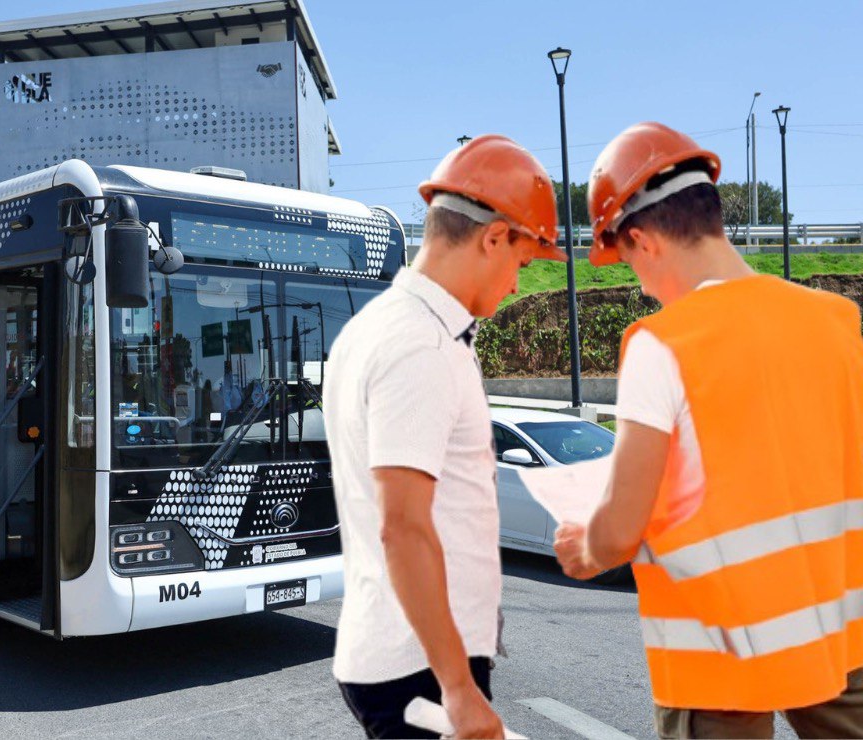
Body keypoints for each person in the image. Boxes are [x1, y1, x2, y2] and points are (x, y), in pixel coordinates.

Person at [554, 121, 863, 739]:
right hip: (841, 639)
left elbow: (618, 532)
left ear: (643, 240)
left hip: (715, 659)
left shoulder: (659, 345)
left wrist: (581, 546)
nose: (639, 285)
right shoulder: (836, 321)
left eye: (627, 260)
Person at [324, 135, 566, 739]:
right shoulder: (421, 346)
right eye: (524, 261)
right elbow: (404, 524)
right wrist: (458, 688)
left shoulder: (379, 327)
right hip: (421, 668)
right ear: (492, 238)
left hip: (407, 652)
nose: (517, 284)